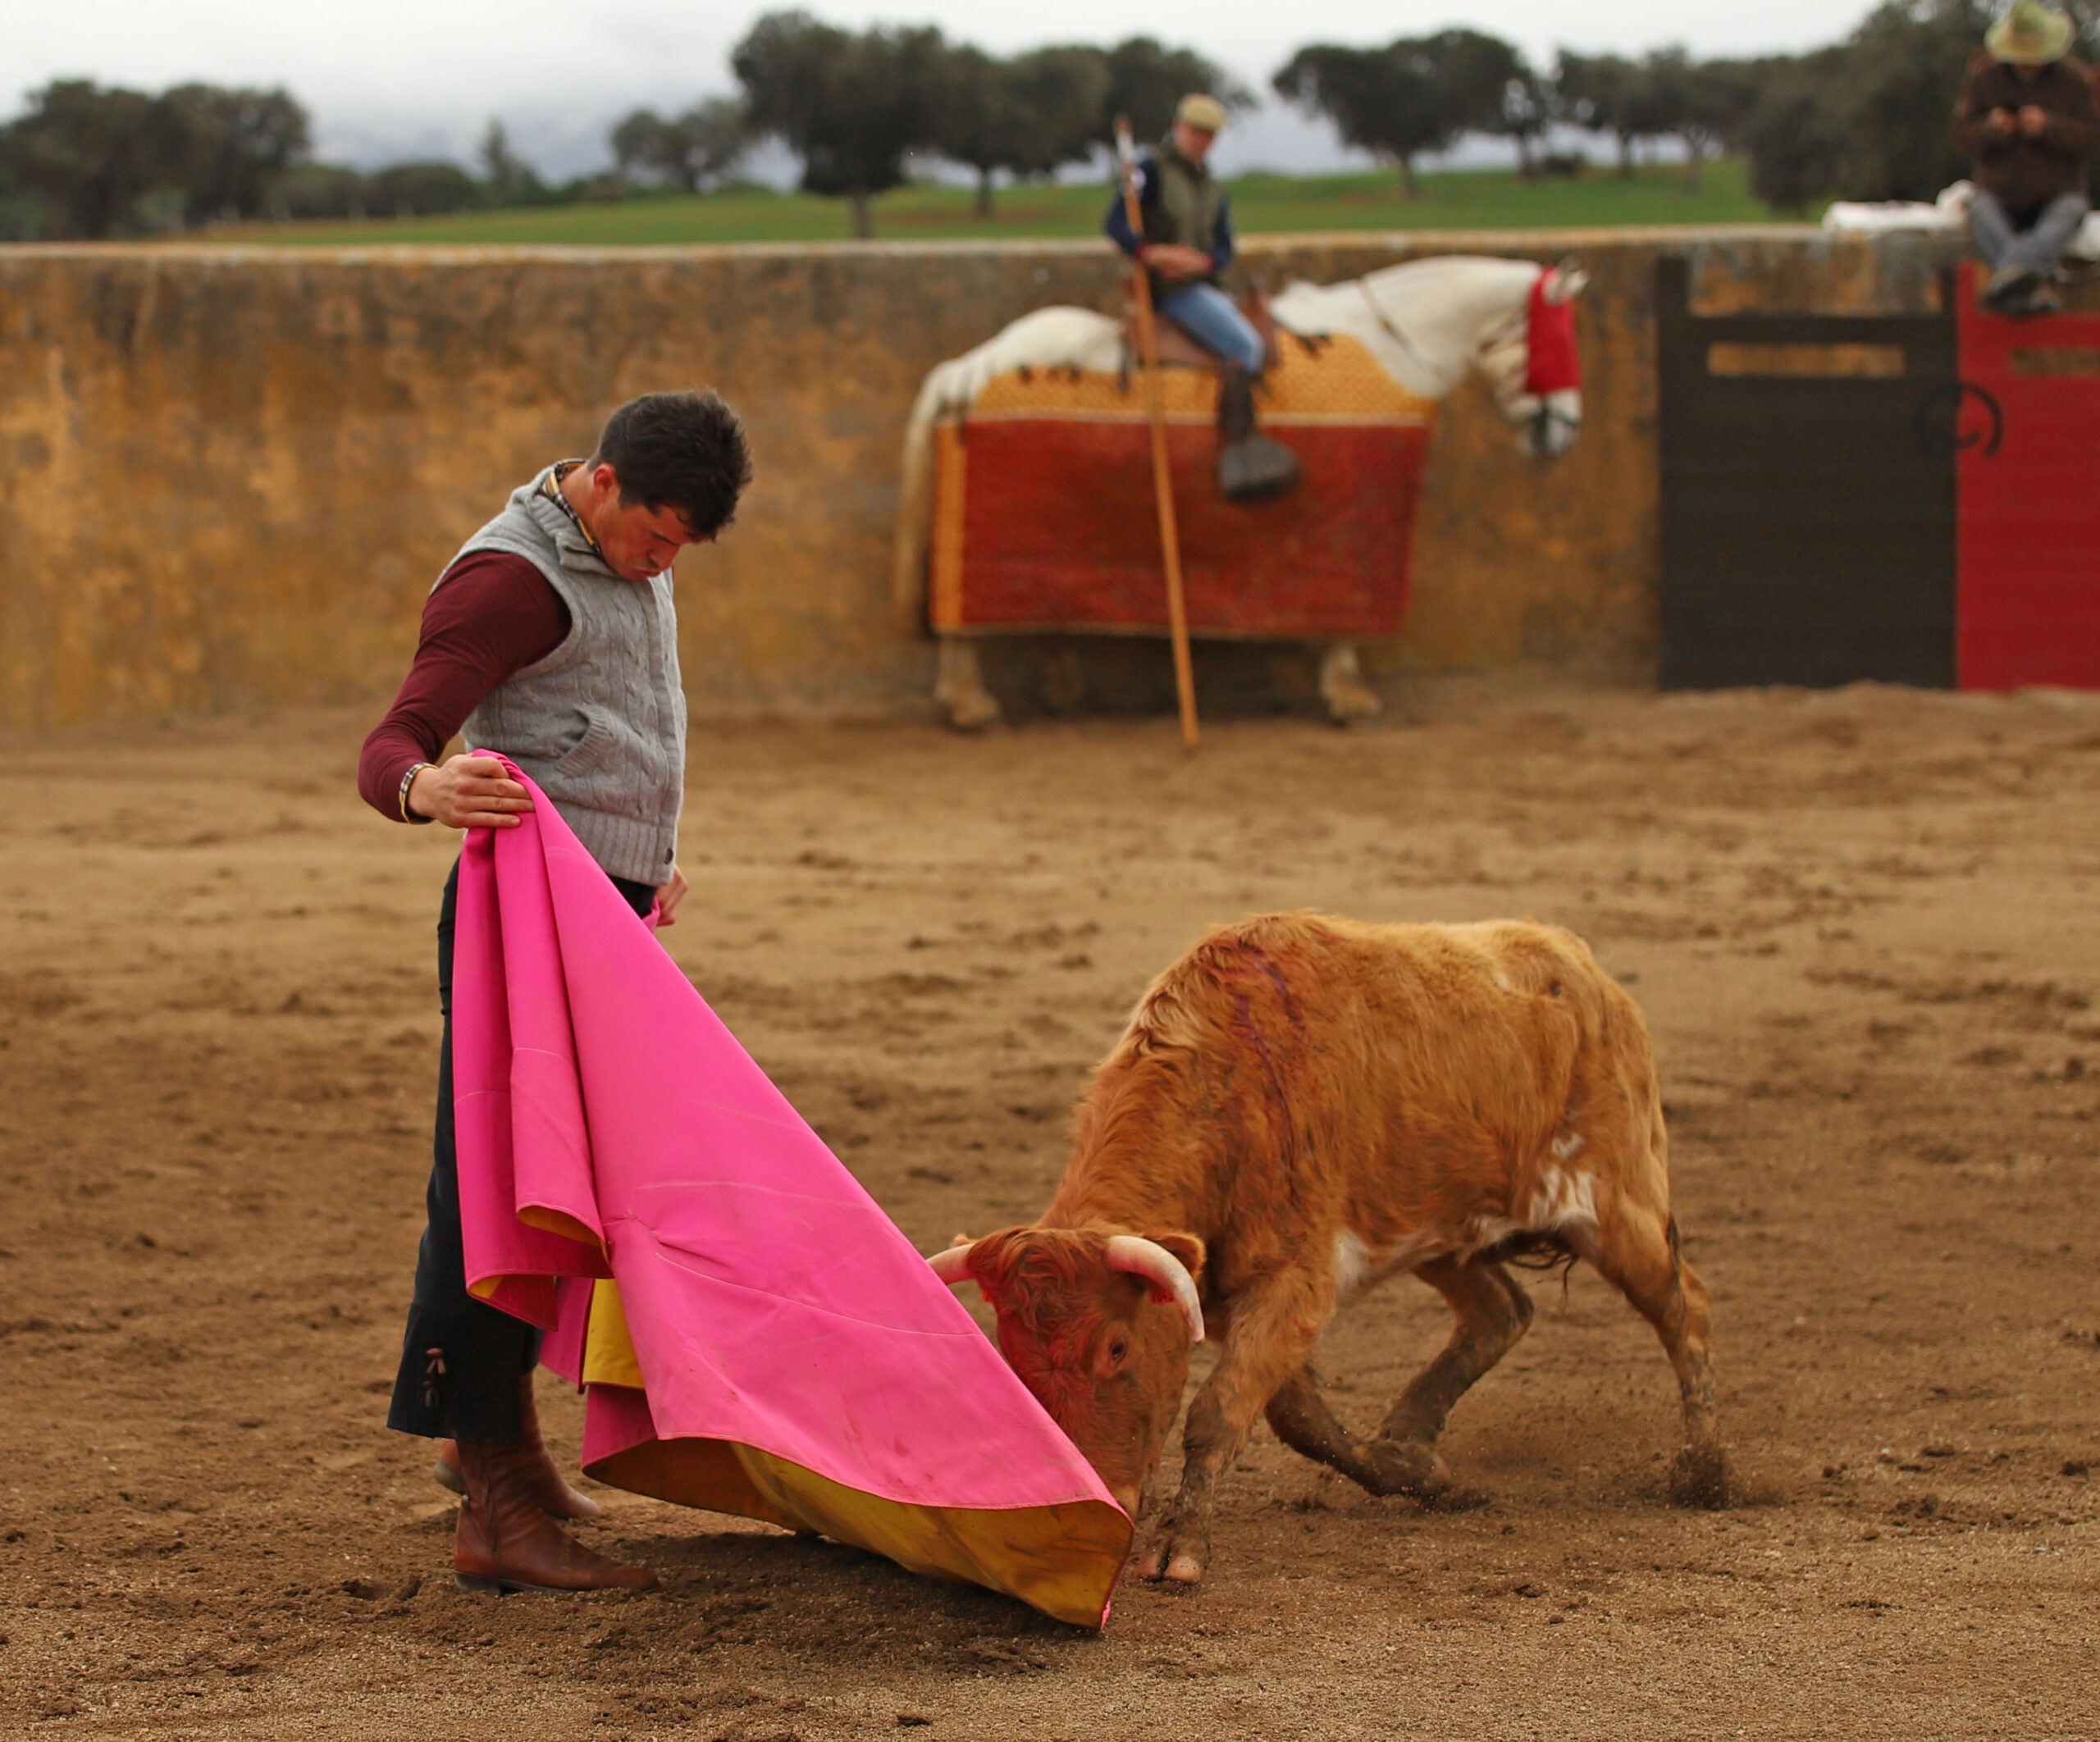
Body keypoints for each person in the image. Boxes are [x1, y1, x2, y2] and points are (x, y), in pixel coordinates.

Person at [358, 390, 752, 1594]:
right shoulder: (507, 582)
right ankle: (493, 1498)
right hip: (519, 930)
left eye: (683, 548)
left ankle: (499, 1445)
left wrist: (645, 857)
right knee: (498, 1188)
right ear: (605, 482)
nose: (664, 561)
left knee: (555, 1183)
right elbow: (392, 744)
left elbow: (613, 724)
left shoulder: (621, 547)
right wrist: (426, 790)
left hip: (597, 918)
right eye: (657, 536)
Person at [1103, 93, 1299, 501]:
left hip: (1205, 283)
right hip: (1169, 290)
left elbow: (1225, 246)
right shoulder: (1148, 171)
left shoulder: (1212, 186)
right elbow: (1116, 223)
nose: (1200, 140)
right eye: (1195, 131)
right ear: (1178, 128)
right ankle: (1239, 446)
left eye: (1208, 135)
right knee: (1245, 347)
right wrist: (1151, 253)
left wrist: (1204, 261)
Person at [1952, 1, 2099, 313]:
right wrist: (1993, 128)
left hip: (2059, 192)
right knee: (1979, 210)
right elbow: (1962, 136)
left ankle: (2009, 276)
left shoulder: (2075, 81)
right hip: (1999, 192)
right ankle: (2029, 287)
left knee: (2070, 211)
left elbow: (2091, 138)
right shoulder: (1984, 78)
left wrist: (2048, 128)